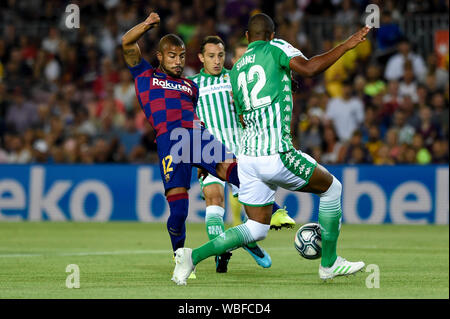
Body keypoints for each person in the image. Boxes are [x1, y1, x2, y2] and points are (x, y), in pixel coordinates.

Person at [172, 13, 371, 285]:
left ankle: (191, 257)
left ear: (247, 38)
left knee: (255, 228)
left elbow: (242, 115)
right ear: (272, 35)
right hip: (277, 154)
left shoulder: (239, 67)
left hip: (248, 160)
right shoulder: (277, 48)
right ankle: (329, 263)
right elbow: (310, 68)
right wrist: (347, 45)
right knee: (332, 188)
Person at [121, 13, 242, 278]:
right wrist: (146, 25)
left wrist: (202, 159)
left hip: (198, 136)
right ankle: (180, 256)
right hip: (171, 142)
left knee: (239, 174)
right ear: (160, 57)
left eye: (182, 55)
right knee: (179, 211)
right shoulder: (144, 75)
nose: (178, 61)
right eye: (172, 56)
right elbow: (127, 44)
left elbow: (192, 115)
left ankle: (266, 219)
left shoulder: (190, 86)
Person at [188, 35, 295, 273]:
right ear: (201, 57)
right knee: (214, 201)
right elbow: (188, 121)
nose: (217, 61)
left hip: (241, 154)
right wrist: (195, 151)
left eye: (220, 56)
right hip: (210, 153)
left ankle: (247, 240)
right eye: (211, 56)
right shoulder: (192, 85)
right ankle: (221, 253)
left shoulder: (234, 77)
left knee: (255, 215)